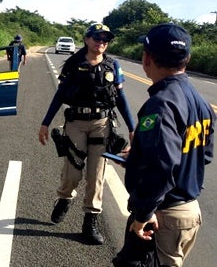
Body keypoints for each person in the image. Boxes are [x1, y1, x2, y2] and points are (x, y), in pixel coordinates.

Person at [114, 23, 213, 266]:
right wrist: (138, 154)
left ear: (146, 58)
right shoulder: (201, 102)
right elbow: (204, 154)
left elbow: (163, 165)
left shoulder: (161, 104)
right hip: (188, 213)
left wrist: (144, 213)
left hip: (163, 215)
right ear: (187, 58)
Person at [38, 23, 136, 245]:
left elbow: (121, 99)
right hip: (76, 123)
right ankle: (64, 197)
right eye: (97, 38)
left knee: (96, 174)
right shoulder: (74, 63)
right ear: (87, 39)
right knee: (73, 171)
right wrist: (45, 123)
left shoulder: (113, 66)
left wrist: (131, 128)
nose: (102, 42)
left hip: (102, 124)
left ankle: (90, 220)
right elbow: (60, 94)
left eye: (106, 39)